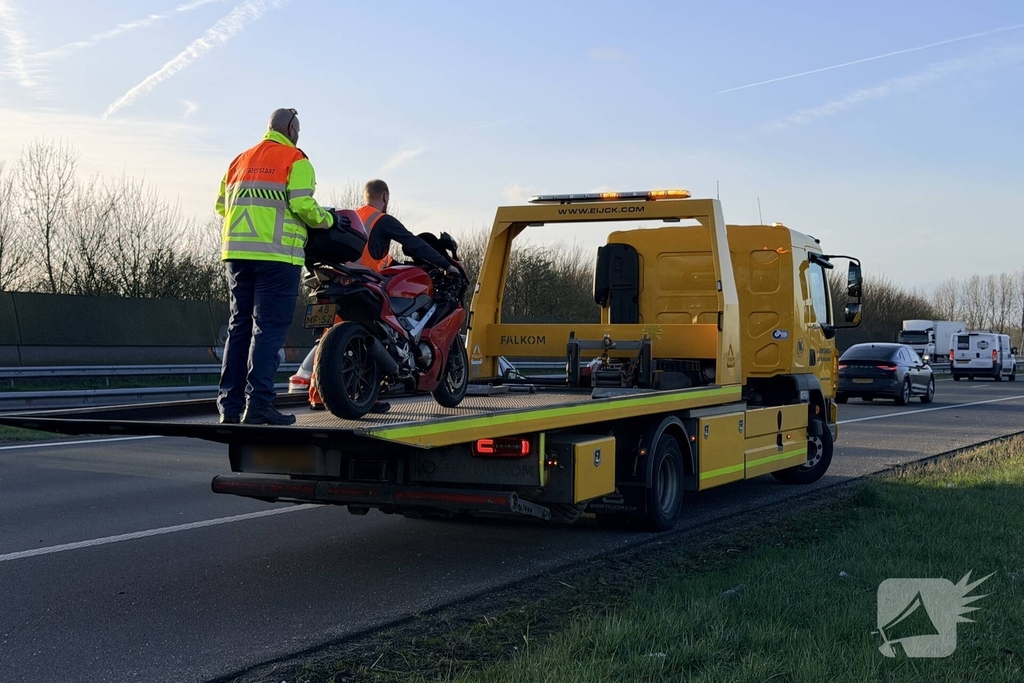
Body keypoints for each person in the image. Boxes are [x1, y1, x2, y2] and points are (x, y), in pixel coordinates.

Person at [216, 107, 346, 426]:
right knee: (268, 329)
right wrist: (328, 219)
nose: (297, 136)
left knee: (239, 327)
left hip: (236, 254)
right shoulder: (295, 159)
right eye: (297, 131)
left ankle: (229, 408)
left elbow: (221, 206)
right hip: (276, 257)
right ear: (290, 130)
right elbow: (303, 205)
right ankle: (258, 404)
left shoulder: (239, 160)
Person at [355, 179, 459, 276]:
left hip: (344, 281)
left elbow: (376, 256)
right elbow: (414, 243)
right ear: (385, 197)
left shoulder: (353, 216)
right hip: (364, 284)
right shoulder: (383, 220)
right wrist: (447, 266)